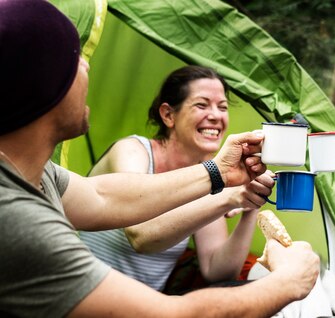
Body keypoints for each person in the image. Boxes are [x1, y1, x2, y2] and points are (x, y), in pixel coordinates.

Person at [0, 1, 319, 317]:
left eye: (222, 107)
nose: (88, 67)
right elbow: (144, 243)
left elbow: (103, 198)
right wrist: (290, 280)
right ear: (44, 84)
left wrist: (228, 182)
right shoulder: (16, 218)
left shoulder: (41, 175)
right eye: (77, 60)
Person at [79, 65, 271, 291]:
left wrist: (250, 204)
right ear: (168, 115)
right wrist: (231, 196)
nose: (216, 116)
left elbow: (216, 270)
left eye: (223, 107)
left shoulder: (213, 177)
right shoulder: (132, 152)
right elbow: (141, 236)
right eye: (201, 104)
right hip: (78, 297)